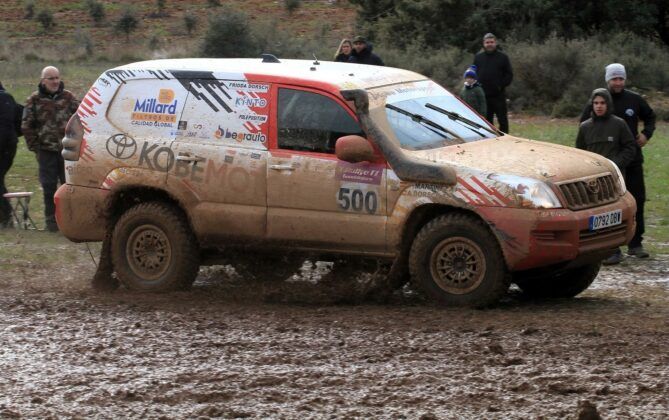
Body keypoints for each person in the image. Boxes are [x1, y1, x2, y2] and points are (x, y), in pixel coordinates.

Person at [580, 63, 656, 261]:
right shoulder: (599, 99)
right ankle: (611, 247)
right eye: (614, 79)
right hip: (606, 165)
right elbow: (585, 128)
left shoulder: (634, 99)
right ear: (608, 80)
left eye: (621, 78)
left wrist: (646, 134)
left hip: (631, 159)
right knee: (610, 205)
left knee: (636, 199)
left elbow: (650, 117)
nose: (618, 82)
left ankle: (636, 243)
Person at [21, 66, 79, 232]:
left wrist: (77, 142)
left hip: (68, 151)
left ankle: (70, 221)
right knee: (49, 187)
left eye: (57, 78)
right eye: (51, 78)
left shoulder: (69, 98)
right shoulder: (34, 100)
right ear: (43, 81)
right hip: (46, 151)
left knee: (69, 187)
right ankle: (51, 223)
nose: (55, 81)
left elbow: (82, 118)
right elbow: (26, 126)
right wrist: (36, 148)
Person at [473, 33, 513, 133]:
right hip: (483, 95)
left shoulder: (503, 57)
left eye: (491, 42)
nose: (489, 44)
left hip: (498, 95)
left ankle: (505, 138)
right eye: (487, 42)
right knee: (487, 121)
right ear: (484, 44)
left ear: (496, 43)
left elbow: (509, 75)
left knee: (502, 120)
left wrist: (500, 85)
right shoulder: (478, 58)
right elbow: (473, 73)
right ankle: (491, 138)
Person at [0, 81, 21, 228]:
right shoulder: (7, 98)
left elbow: (6, 127)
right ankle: (5, 217)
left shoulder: (4, 99)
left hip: (4, 147)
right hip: (9, 146)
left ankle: (6, 217)